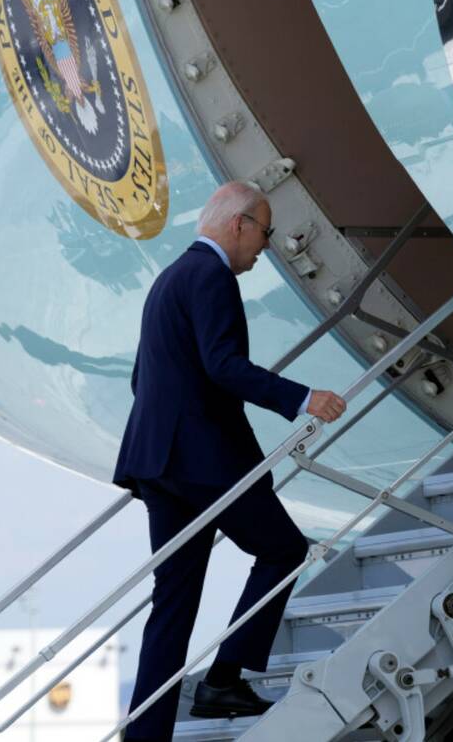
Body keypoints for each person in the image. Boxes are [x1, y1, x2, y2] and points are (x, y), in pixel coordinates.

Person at [113, 181, 347, 741]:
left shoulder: (170, 278)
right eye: (264, 234)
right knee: (286, 550)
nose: (264, 248)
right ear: (239, 224)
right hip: (204, 462)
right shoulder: (212, 275)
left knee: (174, 601)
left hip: (158, 463)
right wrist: (301, 398)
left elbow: (142, 378)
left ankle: (145, 735)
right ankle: (223, 678)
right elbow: (222, 365)